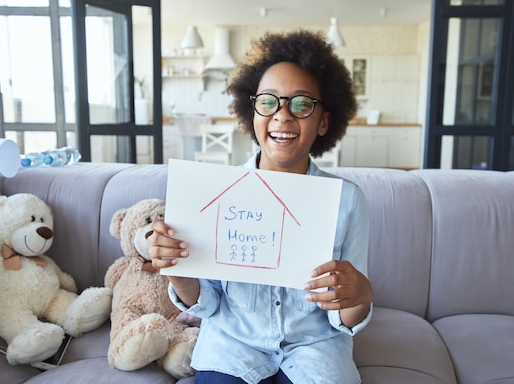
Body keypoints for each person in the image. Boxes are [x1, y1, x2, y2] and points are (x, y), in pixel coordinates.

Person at [149, 29, 374, 384]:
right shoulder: (216, 193)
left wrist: (360, 294)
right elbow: (207, 303)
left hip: (316, 351)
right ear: (251, 112)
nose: (283, 116)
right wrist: (178, 270)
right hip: (231, 346)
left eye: (301, 104)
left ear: (324, 122)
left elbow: (344, 320)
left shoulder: (347, 201)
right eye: (268, 102)